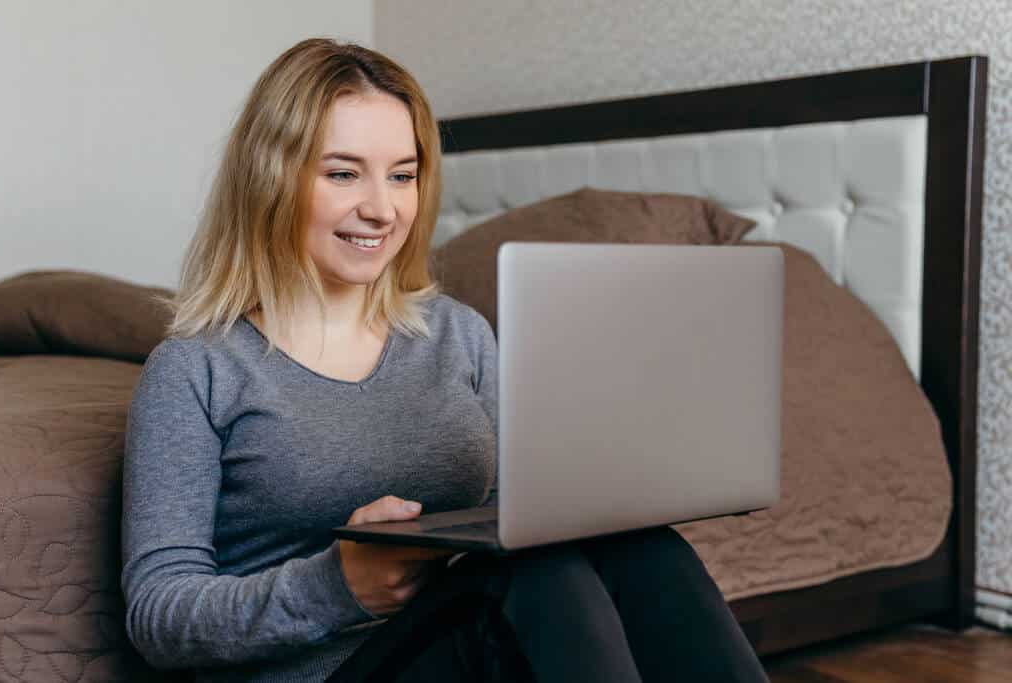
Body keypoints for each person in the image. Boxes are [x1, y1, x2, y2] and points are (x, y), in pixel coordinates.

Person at [120, 37, 771, 683]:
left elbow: (514, 521)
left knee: (637, 547)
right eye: (343, 172)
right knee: (536, 580)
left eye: (402, 175)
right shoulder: (196, 370)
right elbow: (157, 615)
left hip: (458, 647)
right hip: (316, 673)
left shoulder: (459, 337)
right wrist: (336, 584)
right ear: (272, 178)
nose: (381, 207)